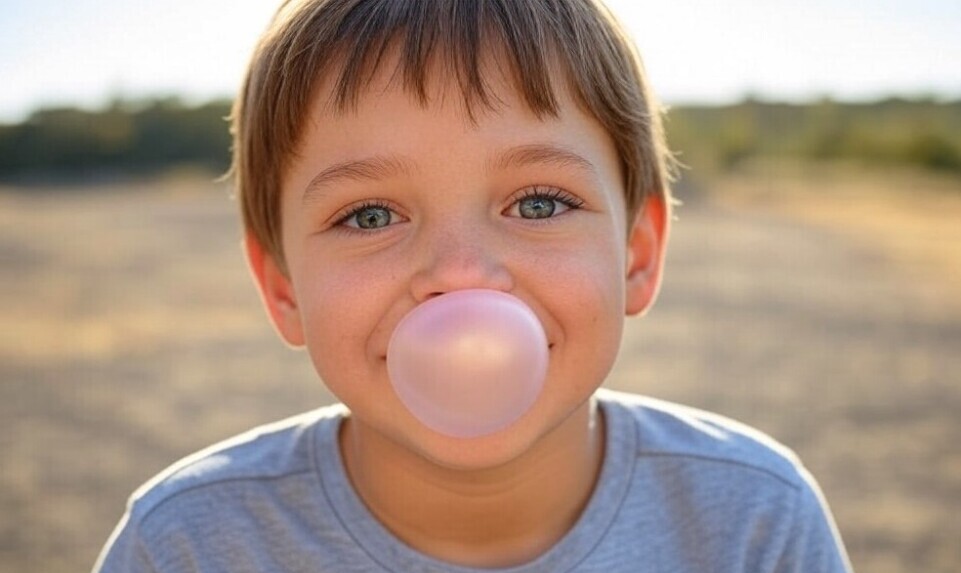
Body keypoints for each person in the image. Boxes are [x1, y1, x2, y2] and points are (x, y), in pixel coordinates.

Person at [94, 0, 853, 571]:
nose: (460, 275)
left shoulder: (753, 522)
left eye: (539, 203)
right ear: (283, 287)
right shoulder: (187, 546)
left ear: (636, 254)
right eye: (369, 215)